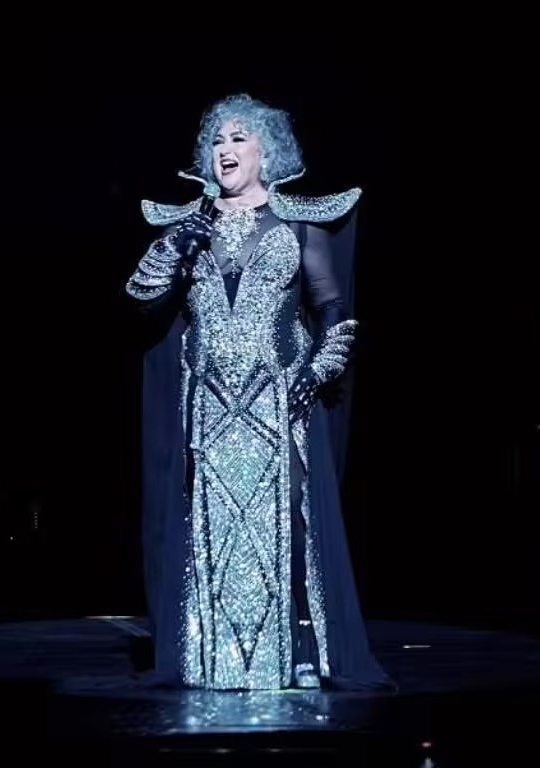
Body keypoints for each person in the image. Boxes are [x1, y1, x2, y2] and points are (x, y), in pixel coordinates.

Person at [125, 93, 393, 692]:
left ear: (266, 153)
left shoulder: (295, 223)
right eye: (217, 141)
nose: (225, 149)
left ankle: (292, 650)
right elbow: (139, 300)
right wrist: (175, 247)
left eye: (239, 138)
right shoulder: (188, 226)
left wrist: (317, 370)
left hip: (277, 397)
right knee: (210, 527)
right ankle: (211, 658)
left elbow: (331, 307)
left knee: (286, 520)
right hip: (208, 401)